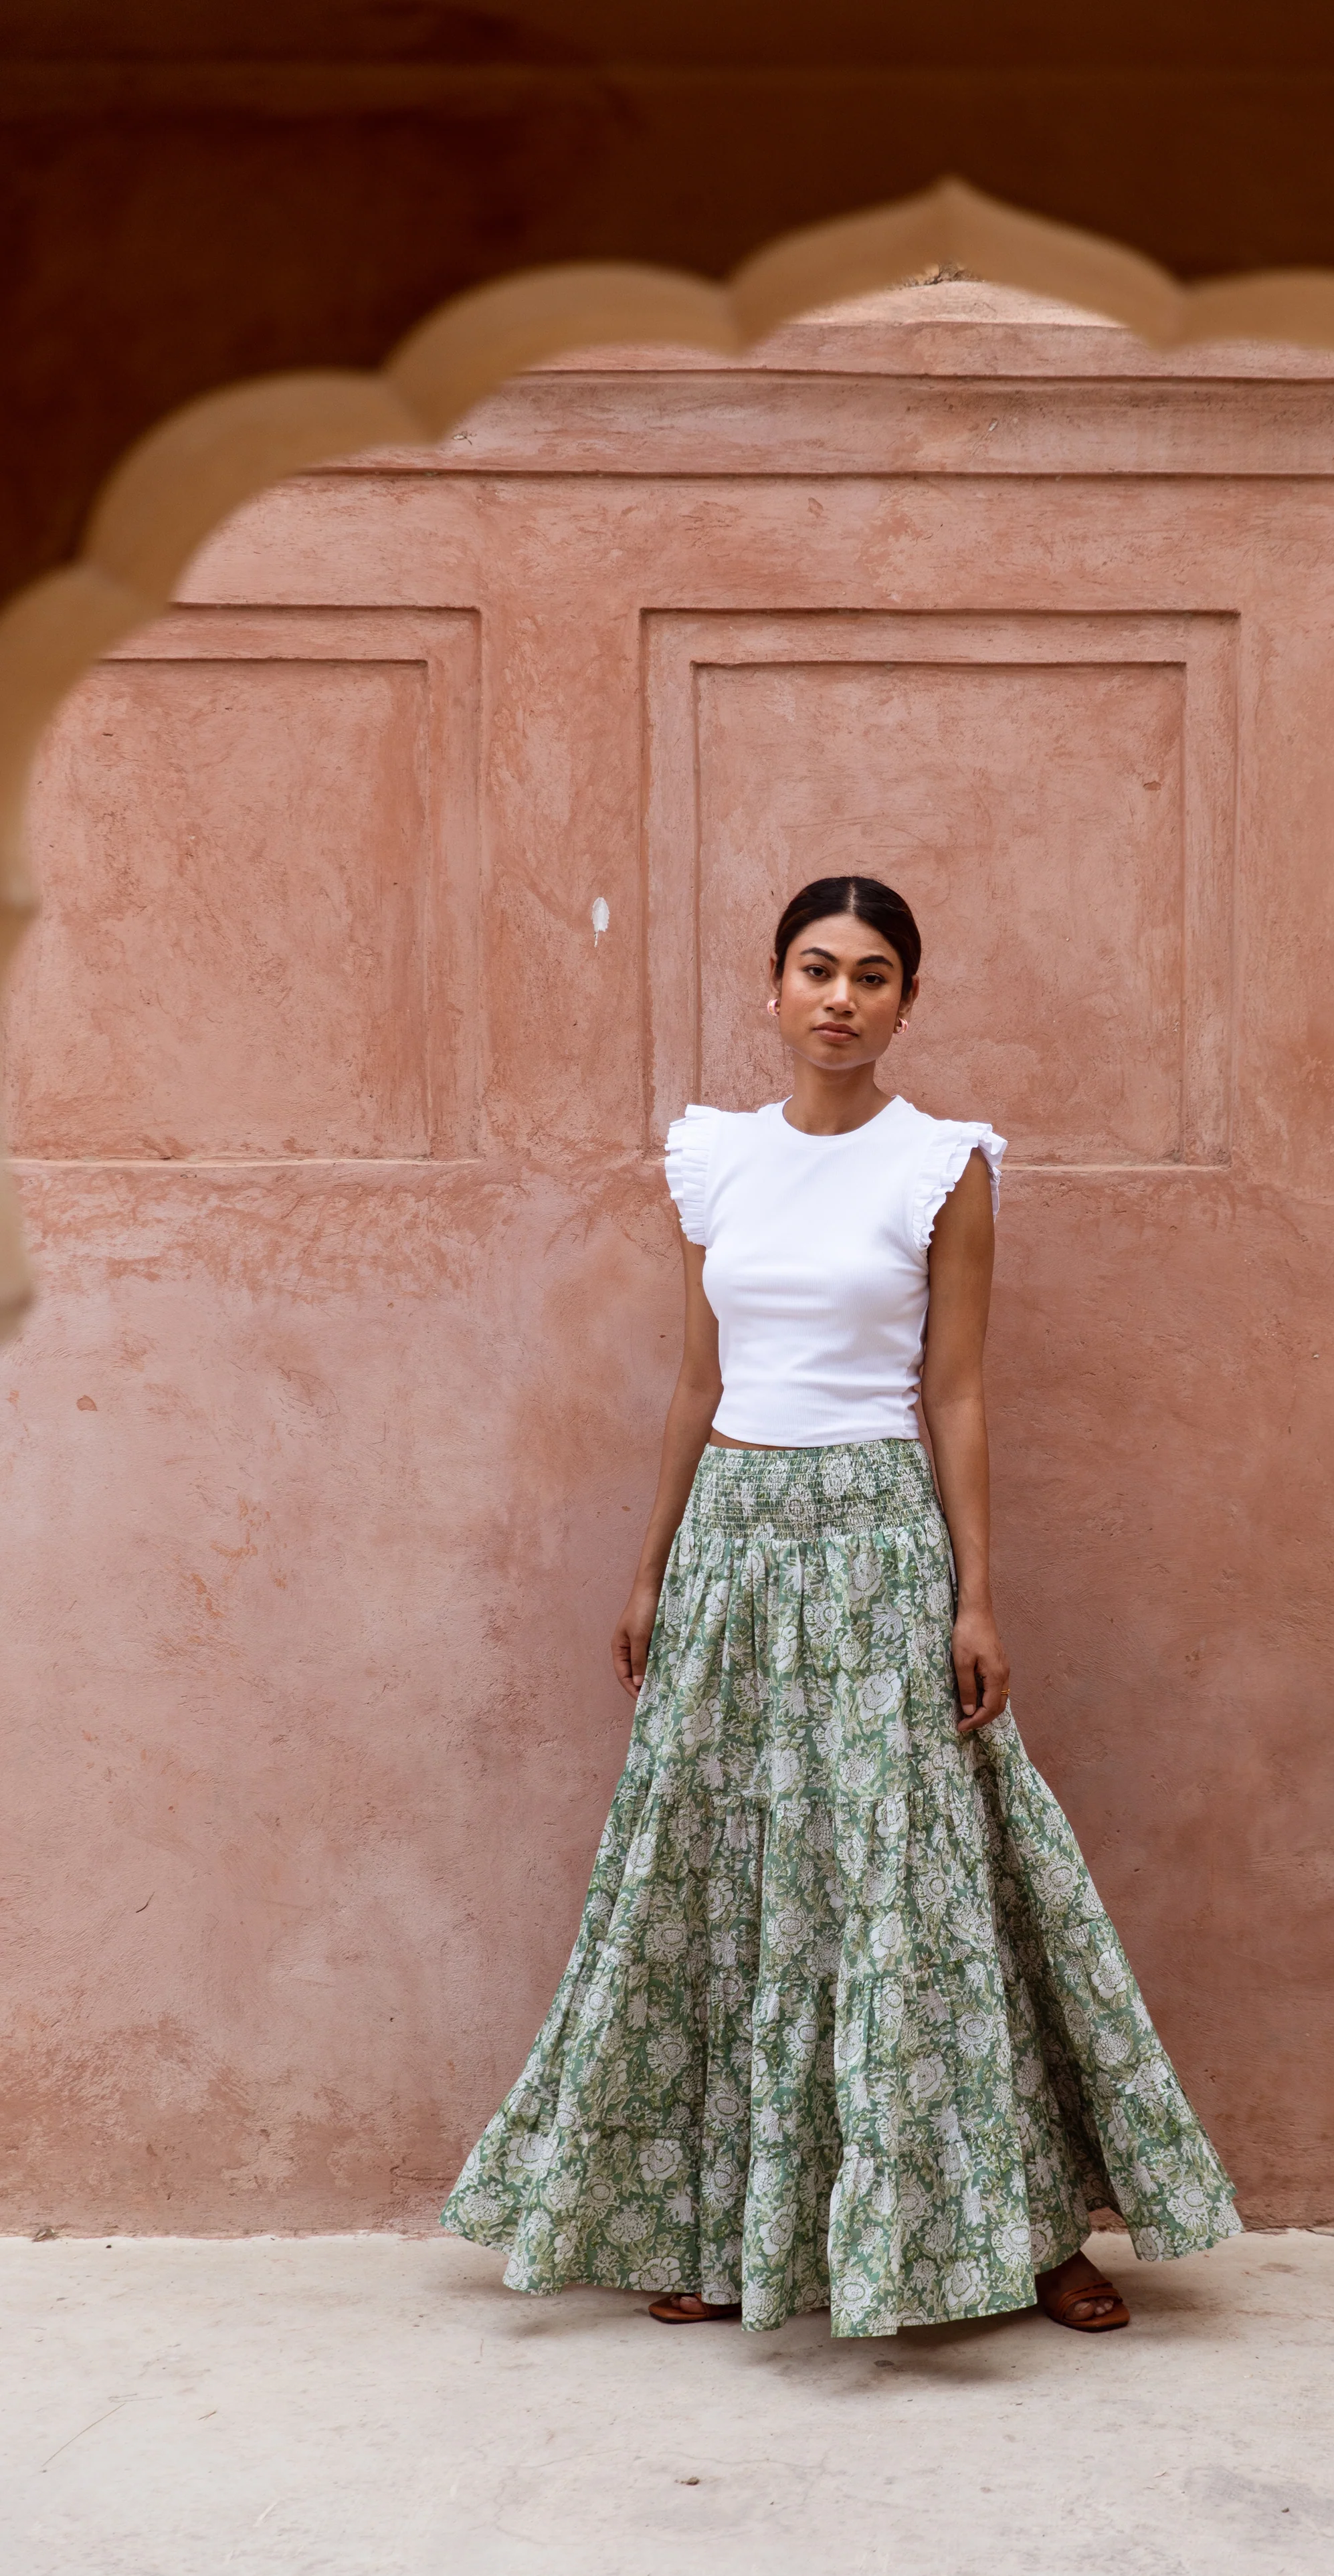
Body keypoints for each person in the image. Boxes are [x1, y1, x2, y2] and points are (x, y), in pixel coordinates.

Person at [442, 876, 1240, 2337]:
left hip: (877, 1537)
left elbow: (958, 1390)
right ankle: (715, 2220)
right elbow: (700, 1375)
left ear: (904, 1002)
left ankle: (1025, 2225)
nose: (840, 997)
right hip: (735, 1541)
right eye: (817, 968)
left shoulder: (943, 1165)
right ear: (771, 985)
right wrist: (651, 1559)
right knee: (724, 1879)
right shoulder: (712, 1159)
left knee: (918, 1889)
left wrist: (975, 1592)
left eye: (873, 975)